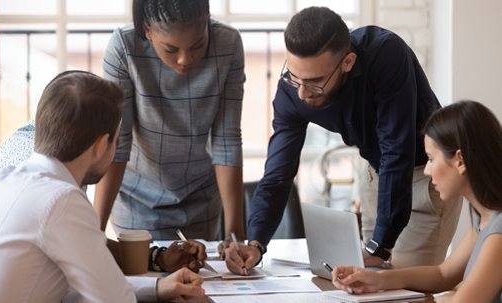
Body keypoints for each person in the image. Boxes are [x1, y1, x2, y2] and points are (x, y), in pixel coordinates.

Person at [225, 6, 462, 274]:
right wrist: (256, 243)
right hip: (377, 174)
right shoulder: (291, 91)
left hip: (428, 178)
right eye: (295, 76)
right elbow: (277, 175)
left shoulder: (386, 54)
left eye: (315, 82)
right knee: (368, 284)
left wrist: (380, 246)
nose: (302, 93)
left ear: (347, 62)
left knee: (408, 288)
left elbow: (397, 149)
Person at [0, 70, 205, 302]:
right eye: (117, 141)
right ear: (101, 145)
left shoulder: (3, 180)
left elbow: (70, 287)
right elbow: (114, 299)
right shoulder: (60, 199)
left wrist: (158, 288)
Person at [96, 0, 245, 242]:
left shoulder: (228, 44)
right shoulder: (124, 47)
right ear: (147, 30)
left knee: (202, 276)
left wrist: (235, 235)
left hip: (202, 195)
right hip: (138, 198)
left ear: (207, 19)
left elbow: (226, 140)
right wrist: (95, 231)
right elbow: (118, 144)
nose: (185, 60)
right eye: (171, 49)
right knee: (148, 276)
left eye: (198, 45)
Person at [332, 100, 502, 303]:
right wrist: (377, 279)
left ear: (460, 160)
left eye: (431, 159)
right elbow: (443, 274)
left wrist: (449, 297)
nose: (427, 171)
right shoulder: (483, 215)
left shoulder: (498, 231)